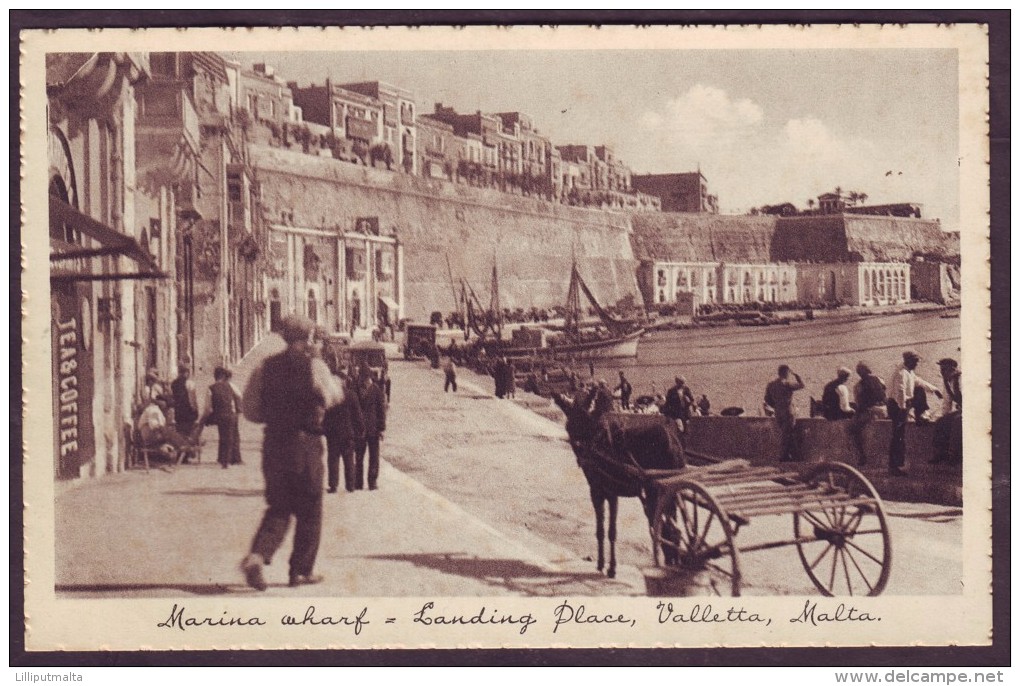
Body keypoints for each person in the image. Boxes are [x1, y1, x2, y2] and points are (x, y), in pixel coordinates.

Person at [239, 314, 344, 591]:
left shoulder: (264, 367)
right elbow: (333, 397)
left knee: (279, 507)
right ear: (308, 338)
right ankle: (300, 571)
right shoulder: (315, 367)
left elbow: (250, 410)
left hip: (274, 445)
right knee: (310, 509)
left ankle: (257, 556)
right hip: (305, 446)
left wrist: (274, 417)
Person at [886, 351, 942, 477]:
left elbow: (918, 381)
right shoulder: (901, 373)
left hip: (902, 404)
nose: (917, 364)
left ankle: (920, 415)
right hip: (897, 406)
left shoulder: (909, 372)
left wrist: (934, 389)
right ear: (908, 361)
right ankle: (894, 466)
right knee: (898, 436)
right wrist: (902, 408)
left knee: (920, 389)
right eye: (915, 362)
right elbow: (899, 392)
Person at [323, 370, 364, 493]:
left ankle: (333, 485)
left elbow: (325, 416)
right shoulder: (351, 395)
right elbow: (358, 415)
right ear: (344, 382)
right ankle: (350, 485)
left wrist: (325, 431)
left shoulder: (330, 396)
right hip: (348, 433)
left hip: (333, 434)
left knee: (333, 459)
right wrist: (361, 430)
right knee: (349, 459)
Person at [203, 366, 243, 469]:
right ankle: (227, 460)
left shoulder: (211, 388)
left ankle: (224, 459)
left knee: (223, 436)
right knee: (231, 437)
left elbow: (208, 407)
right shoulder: (229, 385)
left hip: (220, 415)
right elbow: (238, 395)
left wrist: (205, 418)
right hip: (231, 413)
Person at [354, 369, 387, 491]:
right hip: (360, 429)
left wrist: (382, 428)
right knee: (359, 456)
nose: (365, 381)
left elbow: (381, 410)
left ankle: (372, 482)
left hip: (373, 429)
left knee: (373, 457)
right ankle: (358, 482)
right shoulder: (357, 389)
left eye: (366, 378)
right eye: (363, 379)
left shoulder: (376, 390)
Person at [849, 362, 888, 465]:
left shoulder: (858, 385)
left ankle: (862, 456)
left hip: (871, 411)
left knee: (853, 430)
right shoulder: (880, 380)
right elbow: (885, 395)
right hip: (884, 409)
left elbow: (860, 403)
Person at [764, 365, 805, 462]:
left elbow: (767, 399)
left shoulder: (771, 385)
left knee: (785, 433)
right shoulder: (787, 384)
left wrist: (776, 406)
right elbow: (802, 385)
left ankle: (789, 456)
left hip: (778, 412)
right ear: (786, 373)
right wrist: (798, 377)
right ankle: (783, 456)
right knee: (788, 434)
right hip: (788, 412)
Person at [930, 358, 963, 465]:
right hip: (962, 409)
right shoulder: (947, 382)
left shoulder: (961, 379)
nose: (942, 372)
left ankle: (955, 457)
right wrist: (944, 417)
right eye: (941, 370)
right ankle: (941, 453)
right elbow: (947, 402)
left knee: (957, 422)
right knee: (941, 422)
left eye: (944, 370)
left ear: (952, 369)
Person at [170, 363, 200, 462]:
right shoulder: (190, 384)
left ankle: (180, 456)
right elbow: (192, 399)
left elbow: (173, 397)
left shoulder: (173, 383)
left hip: (179, 412)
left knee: (180, 434)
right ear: (187, 372)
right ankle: (186, 456)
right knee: (188, 434)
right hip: (188, 412)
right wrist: (196, 410)